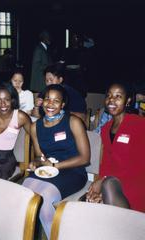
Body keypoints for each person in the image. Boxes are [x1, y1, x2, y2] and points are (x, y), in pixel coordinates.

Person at [23, 84, 90, 238]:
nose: (50, 104)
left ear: (63, 104)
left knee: (45, 198)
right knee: (25, 193)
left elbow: (85, 158)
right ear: (42, 101)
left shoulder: (73, 122)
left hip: (74, 171)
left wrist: (55, 165)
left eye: (56, 101)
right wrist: (36, 163)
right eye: (47, 99)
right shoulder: (35, 127)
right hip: (48, 170)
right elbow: (40, 156)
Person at [87, 82, 145, 212]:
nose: (111, 100)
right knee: (91, 199)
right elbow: (106, 162)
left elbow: (140, 166)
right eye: (109, 96)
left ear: (128, 101)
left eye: (118, 96)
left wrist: (104, 181)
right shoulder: (106, 128)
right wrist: (101, 182)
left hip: (136, 185)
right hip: (114, 184)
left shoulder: (138, 124)